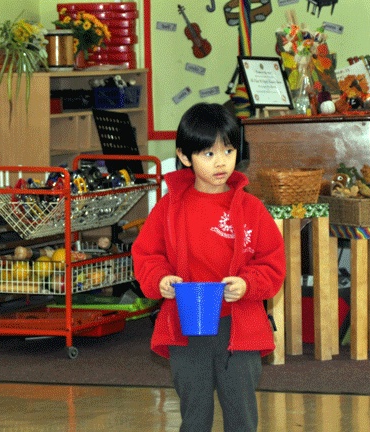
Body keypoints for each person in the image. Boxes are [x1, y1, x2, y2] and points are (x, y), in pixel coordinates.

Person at [131, 102, 286, 432]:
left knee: (241, 414)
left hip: (239, 328)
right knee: (195, 414)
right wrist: (159, 279)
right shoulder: (169, 208)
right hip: (187, 326)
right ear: (185, 156)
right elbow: (147, 254)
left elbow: (271, 263)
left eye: (228, 151)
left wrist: (248, 284)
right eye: (209, 153)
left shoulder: (252, 208)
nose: (221, 162)